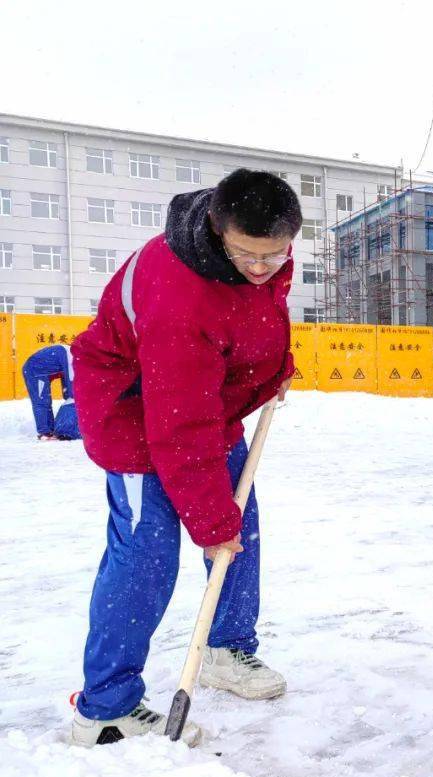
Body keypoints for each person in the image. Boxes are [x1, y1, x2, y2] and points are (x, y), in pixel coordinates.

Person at [69, 169, 300, 747]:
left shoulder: (257, 257)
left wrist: (272, 372)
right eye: (249, 255)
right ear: (219, 230)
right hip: (132, 415)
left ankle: (226, 649)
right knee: (148, 552)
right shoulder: (179, 291)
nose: (262, 268)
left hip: (205, 405)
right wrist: (208, 521)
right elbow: (178, 426)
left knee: (238, 526)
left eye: (275, 255)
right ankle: (105, 708)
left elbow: (253, 319)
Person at [21, 344, 81, 440]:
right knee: (42, 402)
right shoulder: (71, 356)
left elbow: (68, 386)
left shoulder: (68, 354)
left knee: (46, 402)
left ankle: (51, 430)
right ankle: (45, 433)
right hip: (34, 371)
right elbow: (72, 385)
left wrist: (69, 397)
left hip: (40, 370)